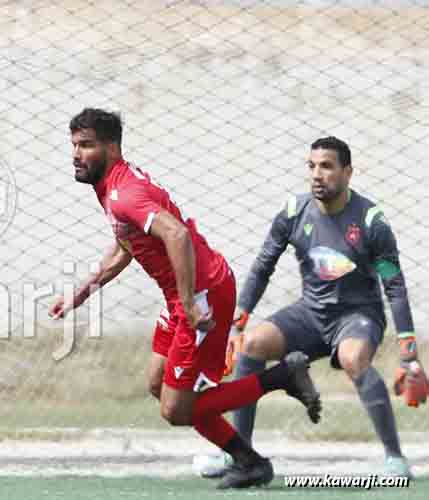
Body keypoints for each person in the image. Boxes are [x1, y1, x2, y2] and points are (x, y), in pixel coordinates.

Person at [50, 108, 321, 489]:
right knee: (157, 383)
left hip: (202, 294)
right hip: (183, 295)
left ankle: (283, 376)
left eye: (86, 145)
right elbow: (127, 244)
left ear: (111, 148)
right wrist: (84, 291)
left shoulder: (124, 193)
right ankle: (249, 462)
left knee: (176, 410)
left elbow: (175, 235)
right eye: (74, 145)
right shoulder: (110, 186)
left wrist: (191, 302)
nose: (76, 154)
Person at [201, 136, 424, 479]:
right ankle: (239, 454)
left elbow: (393, 285)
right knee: (253, 345)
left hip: (357, 317)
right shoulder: (293, 212)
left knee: (353, 358)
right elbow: (262, 267)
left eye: (327, 166)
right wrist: (238, 320)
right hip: (309, 314)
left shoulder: (371, 222)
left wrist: (408, 351)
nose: (317, 174)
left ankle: (395, 458)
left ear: (347, 173)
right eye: (312, 166)